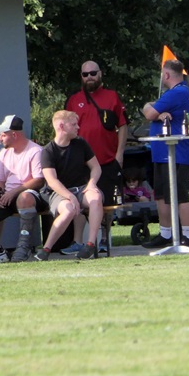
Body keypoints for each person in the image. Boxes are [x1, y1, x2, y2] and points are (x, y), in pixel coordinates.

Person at [64, 60, 127, 254]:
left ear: (100, 74)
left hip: (107, 160)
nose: (89, 77)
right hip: (80, 163)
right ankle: (77, 241)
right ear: (81, 77)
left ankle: (105, 239)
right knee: (79, 200)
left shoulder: (112, 97)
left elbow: (122, 126)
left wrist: (119, 154)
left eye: (93, 73)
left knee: (106, 203)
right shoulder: (73, 100)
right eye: (85, 74)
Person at [0, 115, 47, 263]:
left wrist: (13, 192)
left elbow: (39, 180)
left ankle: (24, 246)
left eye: (3, 135)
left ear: (14, 135)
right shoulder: (4, 153)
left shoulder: (35, 151)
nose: (0, 139)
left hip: (31, 196)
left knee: (25, 198)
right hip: (9, 196)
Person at [141, 59, 189, 249]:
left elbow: (148, 113)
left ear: (166, 75)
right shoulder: (173, 93)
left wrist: (151, 109)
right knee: (161, 195)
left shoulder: (178, 92)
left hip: (176, 153)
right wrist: (156, 111)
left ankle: (188, 235)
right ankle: (166, 233)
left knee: (180, 195)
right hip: (162, 153)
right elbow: (150, 109)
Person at [34, 111, 104, 261]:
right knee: (68, 210)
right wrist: (70, 196)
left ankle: (90, 244)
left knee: (95, 197)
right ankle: (46, 249)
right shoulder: (48, 151)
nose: (78, 127)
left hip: (81, 189)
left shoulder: (81, 143)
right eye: (73, 124)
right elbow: (52, 181)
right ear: (61, 126)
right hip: (59, 193)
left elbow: (96, 167)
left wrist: (91, 184)